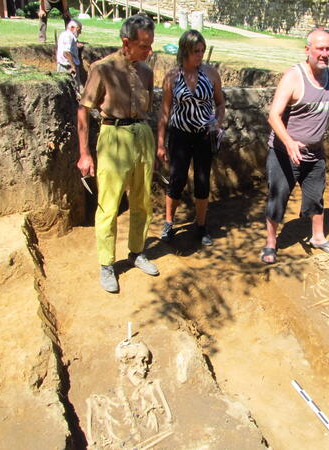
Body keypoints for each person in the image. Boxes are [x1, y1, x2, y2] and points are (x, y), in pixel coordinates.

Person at [76, 14, 158, 293]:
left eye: (151, 44)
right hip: (113, 136)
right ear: (126, 42)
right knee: (108, 204)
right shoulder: (103, 69)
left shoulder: (147, 71)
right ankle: (106, 264)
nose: (149, 51)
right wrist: (84, 154)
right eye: (145, 45)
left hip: (142, 136)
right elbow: (83, 111)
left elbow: (149, 107)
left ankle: (137, 252)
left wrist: (154, 142)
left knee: (142, 201)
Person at [260, 29, 329, 264]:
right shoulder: (294, 77)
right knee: (277, 199)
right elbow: (273, 115)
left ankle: (318, 237)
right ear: (308, 50)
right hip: (285, 153)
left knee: (315, 198)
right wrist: (289, 142)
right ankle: (271, 243)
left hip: (314, 154)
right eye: (320, 48)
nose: (325, 53)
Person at [156, 29, 225, 246]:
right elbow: (165, 112)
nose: (200, 55)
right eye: (196, 51)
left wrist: (217, 122)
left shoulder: (211, 74)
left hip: (204, 135)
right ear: (185, 50)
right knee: (177, 179)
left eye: (202, 51)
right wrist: (160, 143)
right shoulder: (172, 77)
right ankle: (168, 223)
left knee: (202, 181)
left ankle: (201, 225)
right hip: (180, 136)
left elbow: (220, 103)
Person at [56, 20, 82, 92]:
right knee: (73, 90)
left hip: (64, 65)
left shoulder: (64, 34)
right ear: (72, 28)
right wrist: (73, 66)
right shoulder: (69, 36)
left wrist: (76, 46)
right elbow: (66, 52)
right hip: (67, 66)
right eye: (79, 30)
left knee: (64, 89)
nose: (80, 32)